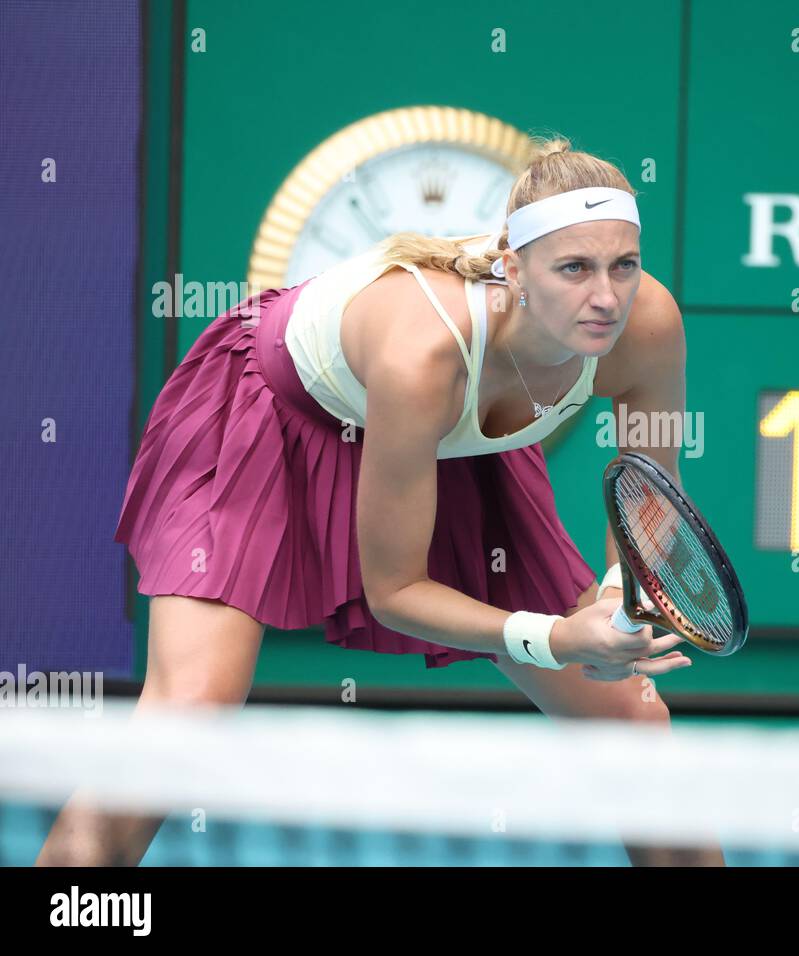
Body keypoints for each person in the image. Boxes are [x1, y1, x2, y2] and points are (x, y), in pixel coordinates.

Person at [37, 136, 722, 867]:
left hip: (452, 443)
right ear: (515, 270)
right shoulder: (423, 354)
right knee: (189, 712)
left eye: (624, 265)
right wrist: (559, 638)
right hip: (270, 414)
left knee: (634, 725)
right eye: (575, 269)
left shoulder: (647, 326)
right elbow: (394, 592)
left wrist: (616, 605)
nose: (607, 297)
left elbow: (649, 496)